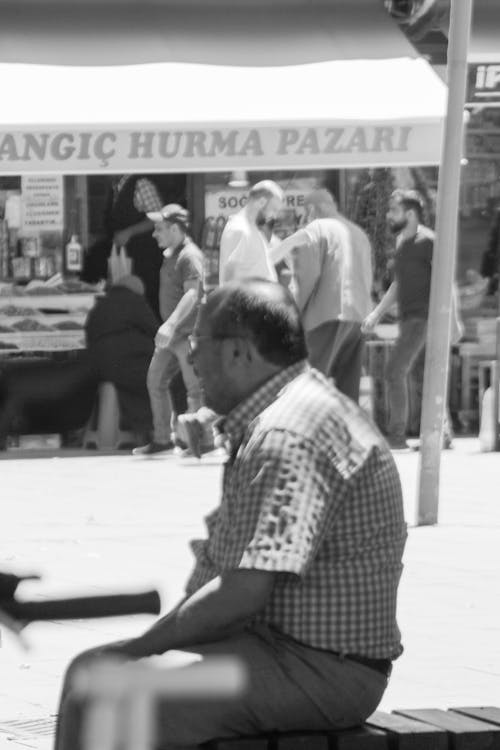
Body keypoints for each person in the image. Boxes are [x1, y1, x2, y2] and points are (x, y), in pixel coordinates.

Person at [55, 279, 407, 750]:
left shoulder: (289, 433)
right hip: (286, 649)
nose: (191, 357)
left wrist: (142, 647)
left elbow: (243, 592)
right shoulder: (288, 408)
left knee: (109, 693)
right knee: (90, 675)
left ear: (240, 352)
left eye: (198, 342)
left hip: (322, 667)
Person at [362, 189, 463, 449]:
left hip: (425, 318)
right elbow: (398, 284)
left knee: (394, 371)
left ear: (410, 214)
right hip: (409, 319)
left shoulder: (428, 241)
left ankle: (397, 436)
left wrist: (453, 322)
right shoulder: (403, 244)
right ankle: (443, 434)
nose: (388, 216)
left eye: (394, 211)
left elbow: (446, 280)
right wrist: (376, 313)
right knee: (425, 375)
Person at [270, 188, 373, 402]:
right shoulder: (358, 232)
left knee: (309, 384)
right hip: (357, 317)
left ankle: (307, 433)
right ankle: (347, 433)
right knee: (347, 388)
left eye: (306, 212)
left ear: (312, 209)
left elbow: (307, 276)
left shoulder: (315, 229)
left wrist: (294, 311)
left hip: (325, 315)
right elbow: (368, 275)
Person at [133, 205, 206, 456]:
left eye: (160, 228)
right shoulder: (172, 254)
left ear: (175, 228)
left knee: (195, 389)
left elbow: (192, 294)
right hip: (173, 336)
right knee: (155, 381)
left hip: (187, 334)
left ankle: (203, 442)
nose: (155, 234)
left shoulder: (189, 256)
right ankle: (163, 440)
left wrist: (172, 323)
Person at [85, 274, 159, 441]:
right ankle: (148, 430)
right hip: (128, 365)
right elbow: (156, 331)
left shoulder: (100, 305)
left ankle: (138, 429)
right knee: (158, 379)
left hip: (98, 367)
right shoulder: (134, 301)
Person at [83, 174, 164, 318]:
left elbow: (158, 218)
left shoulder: (141, 184)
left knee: (145, 301)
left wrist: (129, 232)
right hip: (123, 257)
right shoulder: (115, 187)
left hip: (144, 259)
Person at [218, 180, 284, 284]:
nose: (274, 216)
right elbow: (229, 280)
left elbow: (264, 262)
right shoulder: (239, 229)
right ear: (261, 202)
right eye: (274, 209)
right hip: (245, 299)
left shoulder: (252, 229)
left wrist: (293, 242)